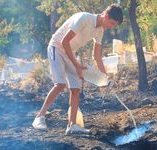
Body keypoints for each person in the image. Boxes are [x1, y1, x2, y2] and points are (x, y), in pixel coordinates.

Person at [32, 4, 123, 135]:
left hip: (70, 52)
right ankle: (39, 117)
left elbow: (97, 56)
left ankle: (72, 125)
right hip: (56, 47)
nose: (112, 27)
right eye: (112, 23)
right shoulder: (84, 18)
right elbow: (64, 41)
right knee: (60, 84)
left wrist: (104, 77)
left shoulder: (100, 31)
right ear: (106, 16)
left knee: (76, 88)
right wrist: (77, 65)